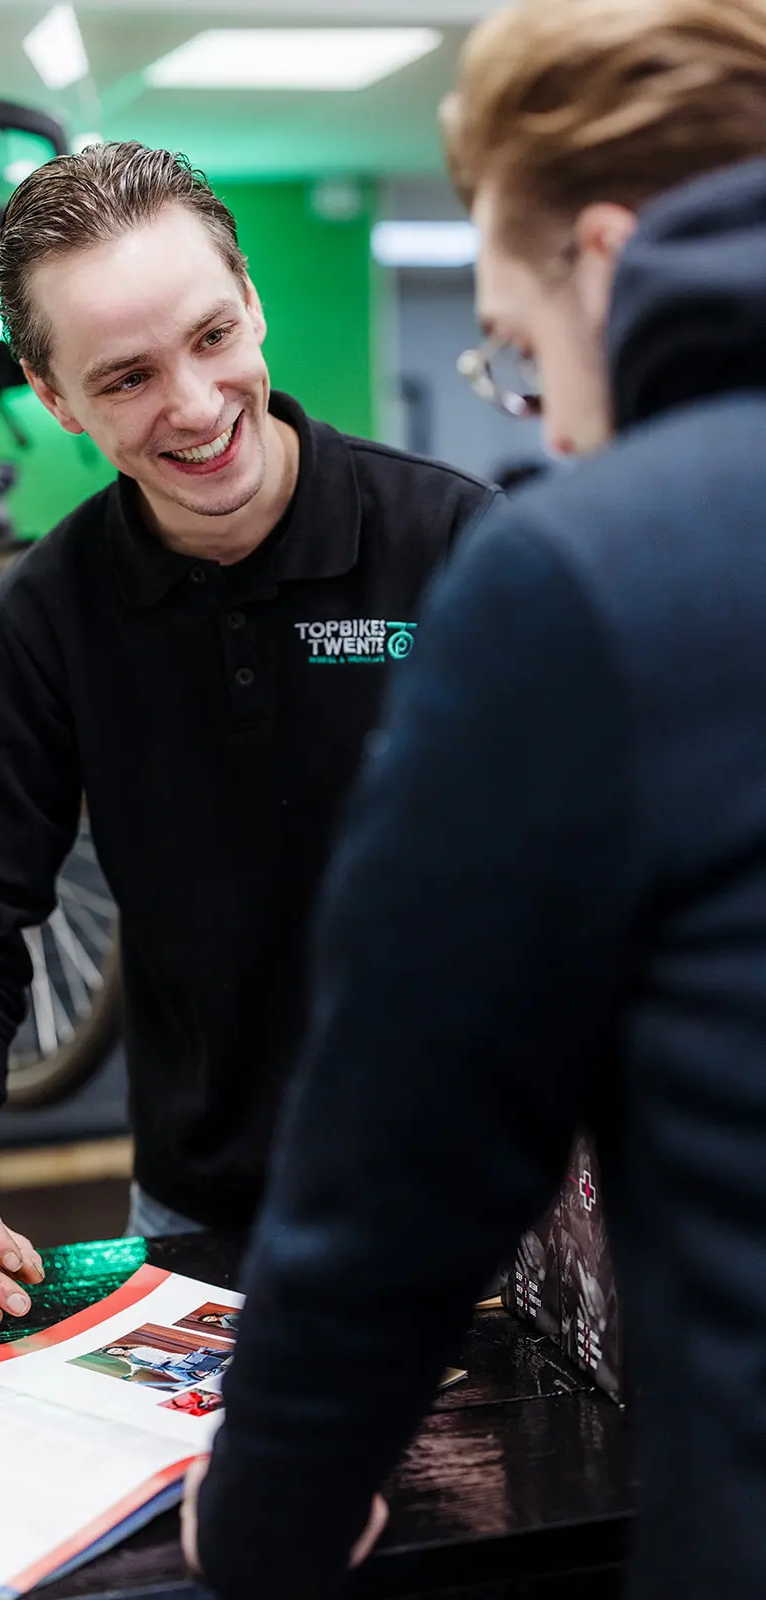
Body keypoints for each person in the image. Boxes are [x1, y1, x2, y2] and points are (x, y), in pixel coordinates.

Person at [181, 2, 766, 1597]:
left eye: (515, 347)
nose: (558, 424)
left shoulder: (583, 571)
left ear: (608, 249)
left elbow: (406, 1161)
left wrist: (266, 1519)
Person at [0, 141, 497, 1335]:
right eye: (124, 378)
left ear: (252, 304)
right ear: (55, 397)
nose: (193, 404)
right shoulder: (48, 613)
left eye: (212, 337)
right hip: (199, 1211)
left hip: (471, 1193)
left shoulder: (451, 545)